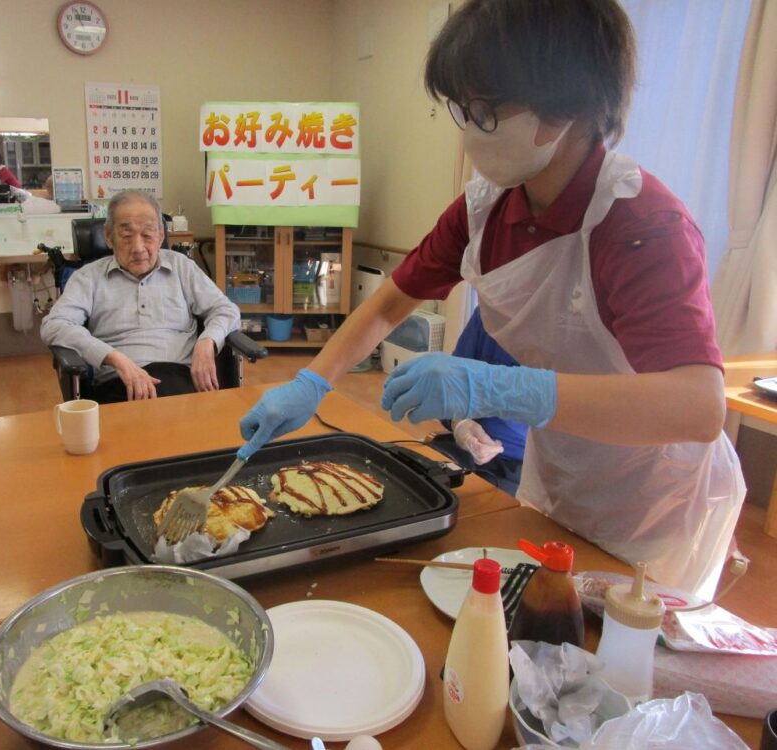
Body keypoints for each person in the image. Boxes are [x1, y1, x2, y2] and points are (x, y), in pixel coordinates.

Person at [239, 0, 744, 598]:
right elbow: (388, 303)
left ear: (564, 105)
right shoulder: (488, 208)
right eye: (462, 107)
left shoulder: (640, 223)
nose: (468, 128)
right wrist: (312, 381)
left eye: (484, 109)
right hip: (557, 473)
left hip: (652, 504)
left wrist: (498, 387)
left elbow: (697, 408)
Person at [40, 190, 240, 403]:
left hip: (179, 380)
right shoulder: (89, 277)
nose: (138, 248)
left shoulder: (182, 267)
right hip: (119, 383)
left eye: (147, 235)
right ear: (108, 236)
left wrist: (207, 341)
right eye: (126, 236)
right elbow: (54, 325)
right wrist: (115, 358)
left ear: (161, 235)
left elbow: (226, 310)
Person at [431, 306, 527, 496]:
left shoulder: (574, 340)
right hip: (462, 448)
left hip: (521, 467)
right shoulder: (489, 314)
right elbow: (450, 390)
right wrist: (459, 423)